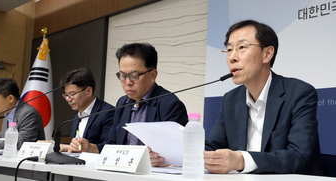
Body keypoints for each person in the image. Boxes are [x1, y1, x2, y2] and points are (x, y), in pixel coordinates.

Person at [204, 20, 322, 175]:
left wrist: (241, 160)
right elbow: (212, 147)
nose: (232, 57)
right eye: (229, 49)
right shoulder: (230, 100)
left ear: (267, 54)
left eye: (241, 48)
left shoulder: (299, 93)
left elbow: (298, 157)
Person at [70, 43, 188, 165]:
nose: (127, 82)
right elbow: (113, 145)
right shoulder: (122, 103)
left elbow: (179, 153)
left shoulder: (169, 104)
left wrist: (153, 159)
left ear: (153, 75)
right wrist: (90, 148)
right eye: (122, 75)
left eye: (134, 76)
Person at [60, 68, 114, 153]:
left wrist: (89, 147)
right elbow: (77, 147)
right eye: (66, 95)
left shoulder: (107, 112)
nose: (68, 99)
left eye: (72, 94)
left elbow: (109, 147)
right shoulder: (78, 115)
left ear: (88, 91)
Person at [0, 78, 45, 151]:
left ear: (10, 98)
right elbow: (1, 139)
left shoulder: (28, 113)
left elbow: (23, 143)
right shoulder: (8, 113)